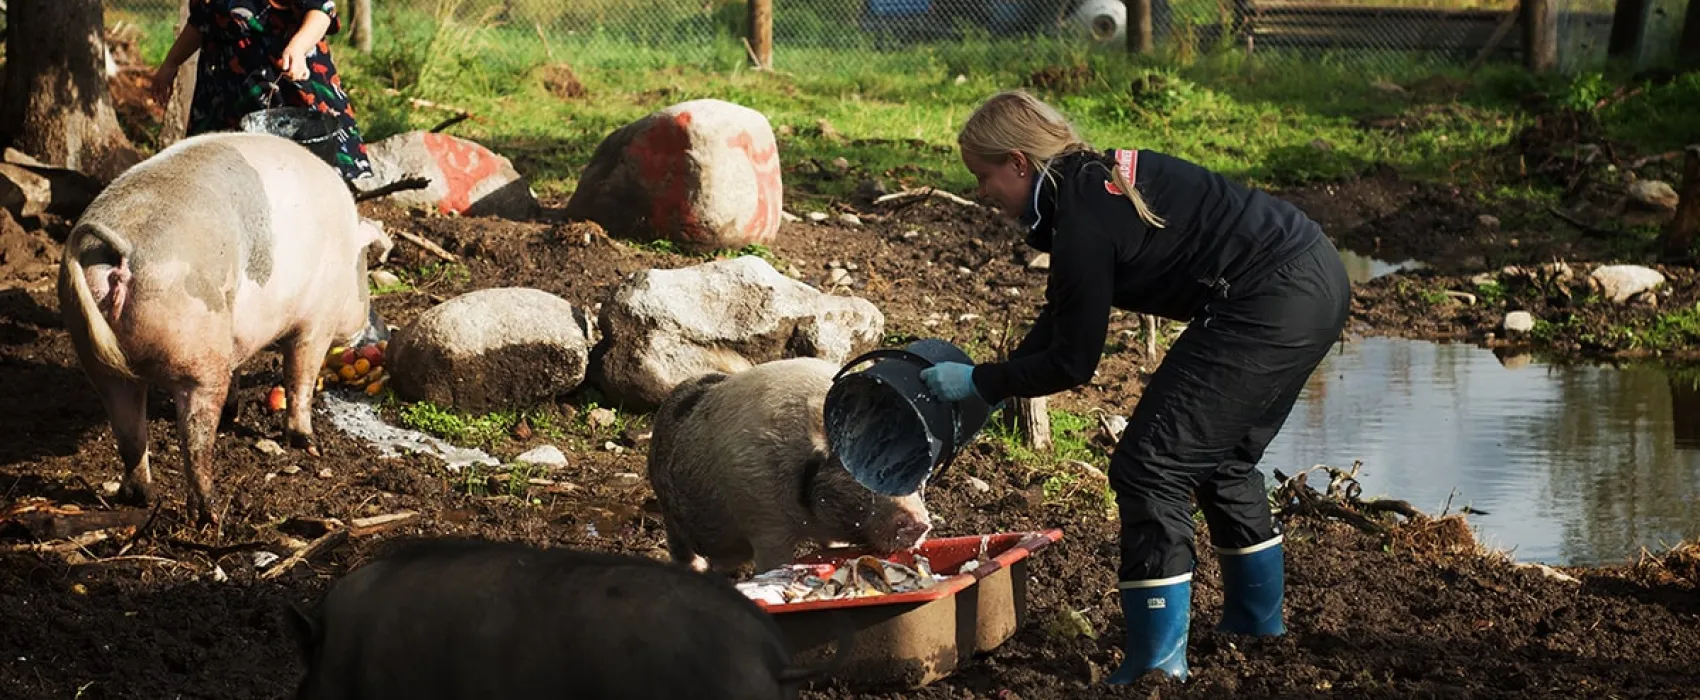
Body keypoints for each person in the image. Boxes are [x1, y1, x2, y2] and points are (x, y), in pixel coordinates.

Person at [919, 90, 1349, 683]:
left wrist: (982, 381)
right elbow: (1065, 314)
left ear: (1018, 163)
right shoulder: (1087, 186)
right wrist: (991, 385)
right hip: (1313, 274)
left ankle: (1156, 665)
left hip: (1269, 297)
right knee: (1219, 462)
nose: (982, 193)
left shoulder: (1083, 216)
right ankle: (1256, 627)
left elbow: (1073, 361)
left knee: (1151, 468)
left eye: (984, 176)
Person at [149, 0, 373, 182]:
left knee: (309, 174)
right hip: (225, 90)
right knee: (222, 177)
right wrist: (171, 63)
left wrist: (298, 47)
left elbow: (321, 10)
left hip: (286, 76)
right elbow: (201, 22)